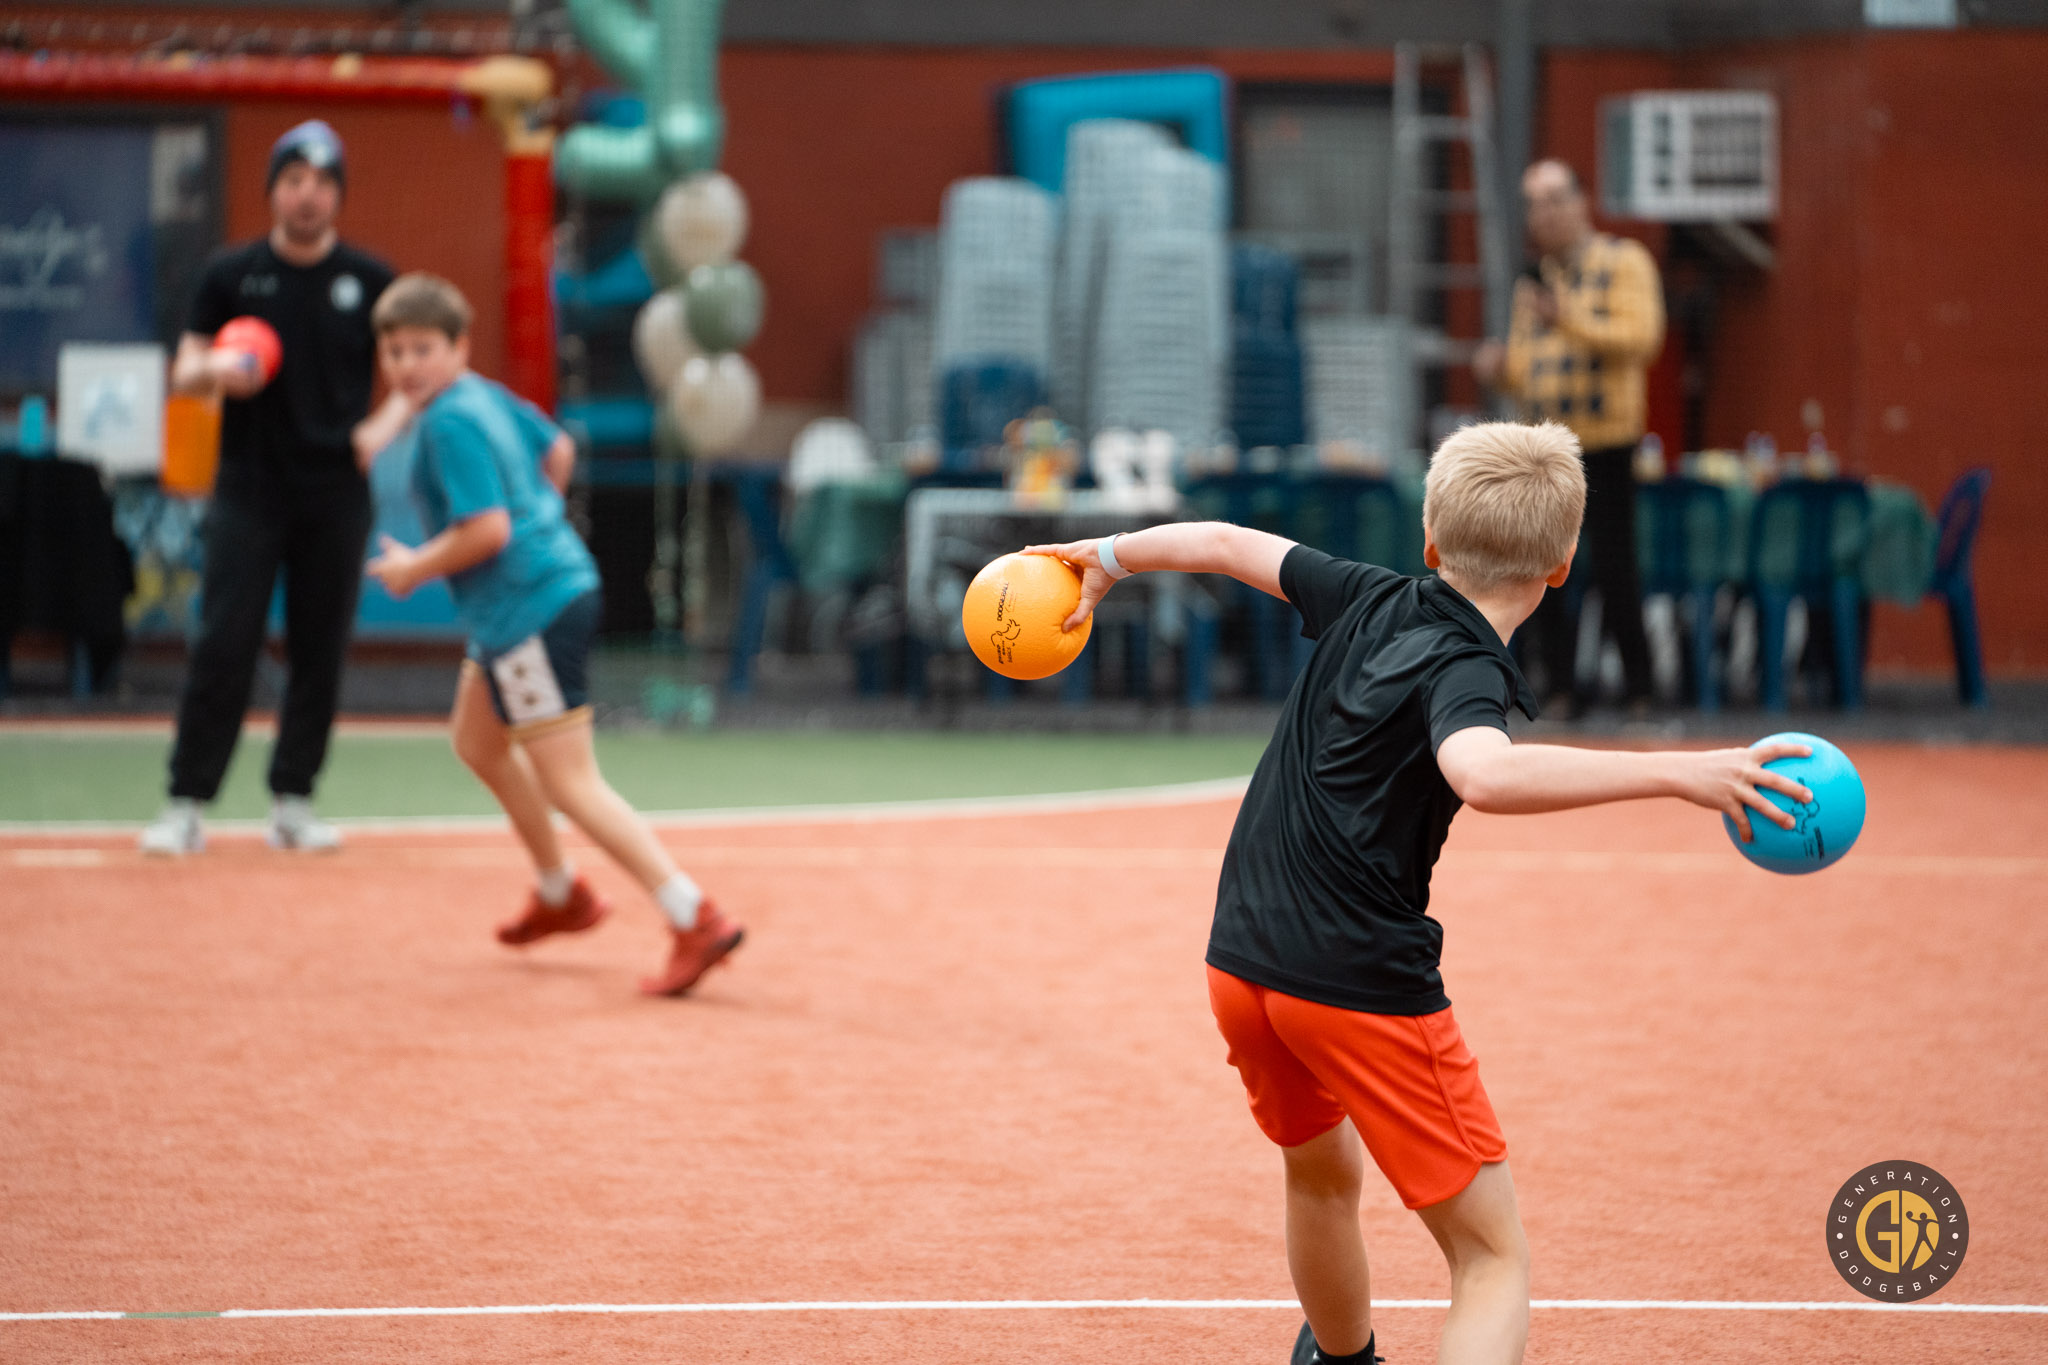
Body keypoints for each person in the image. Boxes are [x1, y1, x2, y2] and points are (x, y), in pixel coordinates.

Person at [1024, 421, 1809, 1365]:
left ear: (1430, 544)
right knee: (1490, 1258)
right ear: (1562, 568)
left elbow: (1226, 543)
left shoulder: (1365, 593)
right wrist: (1681, 772)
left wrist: (1107, 557)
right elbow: (1483, 773)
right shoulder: (1469, 668)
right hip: (1357, 981)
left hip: (1241, 961)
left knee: (1318, 1175)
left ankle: (1339, 1358)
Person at [361, 273, 743, 996]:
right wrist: (544, 520)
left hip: (529, 611)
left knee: (572, 782)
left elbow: (488, 530)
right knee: (477, 741)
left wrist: (414, 566)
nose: (407, 364)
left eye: (422, 348)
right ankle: (560, 890)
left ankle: (693, 915)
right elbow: (557, 448)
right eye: (394, 351)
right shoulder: (481, 396)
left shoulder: (446, 421)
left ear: (458, 347)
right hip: (534, 600)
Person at [142, 120, 396, 855]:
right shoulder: (229, 275)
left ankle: (294, 800)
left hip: (336, 493)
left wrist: (381, 428)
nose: (307, 196)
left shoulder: (372, 280)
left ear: (337, 194)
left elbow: (423, 369)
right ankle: (185, 802)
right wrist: (218, 369)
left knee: (320, 648)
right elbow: (183, 371)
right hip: (249, 490)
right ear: (273, 191)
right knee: (224, 642)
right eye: (293, 181)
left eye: (321, 183)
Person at [1472, 160, 1665, 716]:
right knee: (1540, 566)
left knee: (1613, 565)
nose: (1545, 213)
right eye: (1534, 203)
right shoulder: (1534, 281)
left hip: (1605, 441)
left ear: (1582, 202)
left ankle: (1640, 689)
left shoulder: (1624, 261)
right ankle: (1555, 688)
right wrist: (1501, 369)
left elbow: (1641, 339)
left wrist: (1567, 318)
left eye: (1555, 198)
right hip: (1544, 446)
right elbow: (1528, 369)